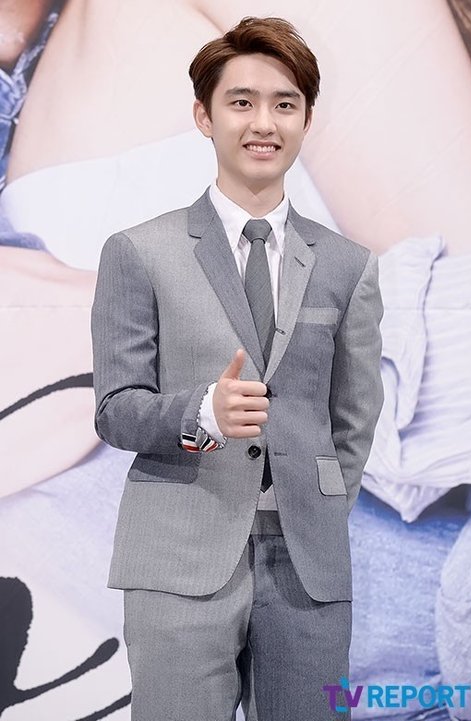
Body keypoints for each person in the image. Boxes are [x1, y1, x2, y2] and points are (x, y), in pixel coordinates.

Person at [90, 16, 383, 721]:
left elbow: (354, 415)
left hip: (307, 564)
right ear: (205, 115)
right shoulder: (140, 251)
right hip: (178, 554)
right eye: (242, 102)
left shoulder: (347, 265)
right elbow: (116, 409)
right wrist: (202, 414)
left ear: (306, 119)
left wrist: (318, 503)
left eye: (285, 104)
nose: (264, 123)